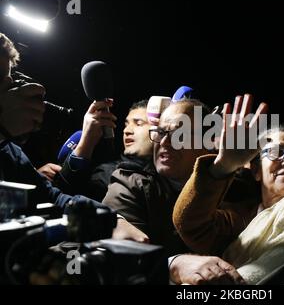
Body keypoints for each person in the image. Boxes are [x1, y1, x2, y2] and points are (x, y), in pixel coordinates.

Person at [171, 94, 284, 284]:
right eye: (276, 152)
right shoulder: (239, 217)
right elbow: (190, 224)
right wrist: (224, 165)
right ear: (257, 171)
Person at [0, 32, 147, 242]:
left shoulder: (10, 152)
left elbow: (53, 197)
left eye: (8, 80)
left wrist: (110, 219)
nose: (8, 90)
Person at [102, 99, 213, 254]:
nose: (165, 142)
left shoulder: (227, 182)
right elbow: (118, 258)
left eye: (179, 134)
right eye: (160, 133)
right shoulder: (130, 184)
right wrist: (171, 265)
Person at [48, 99, 154, 202]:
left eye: (138, 123)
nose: (126, 130)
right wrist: (86, 141)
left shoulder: (168, 173)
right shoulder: (108, 175)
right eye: (126, 125)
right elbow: (67, 197)